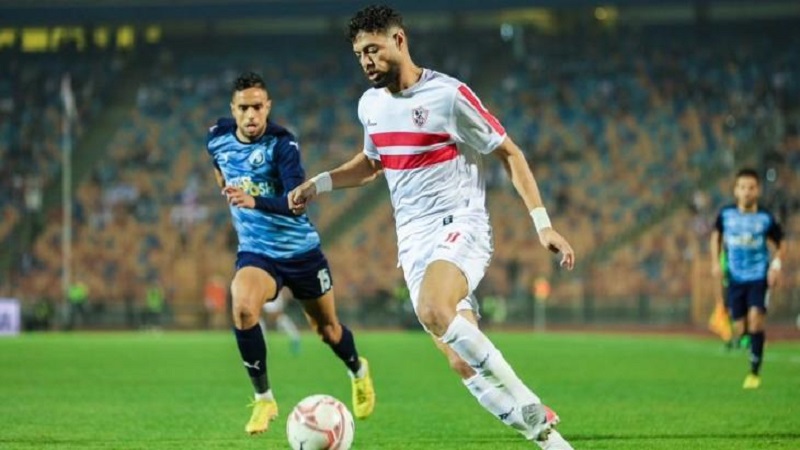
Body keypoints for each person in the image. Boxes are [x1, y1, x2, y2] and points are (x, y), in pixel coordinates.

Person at [290, 6, 575, 448]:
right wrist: (318, 184)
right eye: (359, 54)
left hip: (460, 224)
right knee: (461, 361)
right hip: (413, 243)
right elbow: (372, 163)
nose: (366, 60)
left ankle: (527, 399)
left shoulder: (448, 96)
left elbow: (510, 153)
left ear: (399, 40)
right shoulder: (370, 105)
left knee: (432, 309)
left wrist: (543, 225)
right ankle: (552, 443)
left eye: (373, 49)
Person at [206, 72, 375, 435]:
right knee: (243, 307)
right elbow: (220, 170)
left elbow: (296, 202)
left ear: (267, 107)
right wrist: (226, 187)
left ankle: (357, 369)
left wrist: (253, 200)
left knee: (328, 330)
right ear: (233, 110)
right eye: (243, 108)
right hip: (257, 252)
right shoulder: (217, 138)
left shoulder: (283, 145)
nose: (251, 115)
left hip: (301, 253)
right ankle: (264, 399)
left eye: (257, 107)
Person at [710, 168, 784, 389]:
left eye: (751, 188)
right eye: (742, 187)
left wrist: (776, 266)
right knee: (740, 327)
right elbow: (716, 236)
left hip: (758, 277)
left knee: (755, 319)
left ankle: (754, 371)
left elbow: (781, 243)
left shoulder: (765, 218)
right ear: (735, 190)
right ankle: (751, 339)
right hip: (735, 278)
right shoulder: (726, 215)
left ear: (758, 190)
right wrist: (715, 262)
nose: (747, 192)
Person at [259, 288, 302, 355]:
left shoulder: (278, 295)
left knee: (284, 320)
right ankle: (263, 347)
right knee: (260, 323)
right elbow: (264, 311)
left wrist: (275, 314)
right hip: (266, 317)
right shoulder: (264, 294)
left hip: (276, 316)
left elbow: (278, 311)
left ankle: (295, 340)